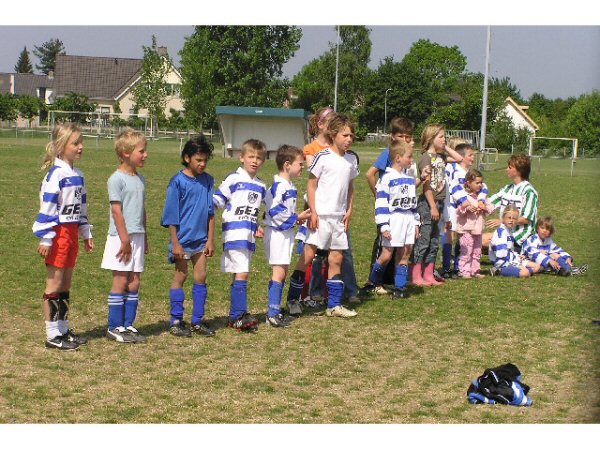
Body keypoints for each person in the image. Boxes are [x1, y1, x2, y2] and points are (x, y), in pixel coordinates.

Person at [285, 114, 360, 318]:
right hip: (321, 217)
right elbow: (311, 184)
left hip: (338, 218)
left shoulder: (352, 159)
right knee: (308, 256)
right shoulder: (323, 157)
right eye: (345, 135)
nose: (349, 139)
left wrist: (350, 210)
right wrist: (314, 212)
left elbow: (351, 187)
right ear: (333, 134)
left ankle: (334, 305)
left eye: (351, 135)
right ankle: (293, 299)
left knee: (336, 258)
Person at [32, 123, 93, 351]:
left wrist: (85, 232)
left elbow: (81, 207)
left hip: (71, 234)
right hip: (58, 234)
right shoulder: (56, 175)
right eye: (75, 143)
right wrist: (46, 237)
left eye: (81, 142)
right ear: (61, 146)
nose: (80, 147)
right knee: (54, 283)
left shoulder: (78, 175)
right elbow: (47, 206)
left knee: (66, 283)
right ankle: (52, 335)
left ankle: (64, 329)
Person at [361, 117, 427, 297]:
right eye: (409, 157)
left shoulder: (407, 178)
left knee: (405, 253)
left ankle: (400, 287)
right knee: (386, 254)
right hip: (393, 219)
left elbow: (412, 201)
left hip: (407, 220)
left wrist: (416, 223)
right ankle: (372, 282)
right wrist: (384, 225)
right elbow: (381, 202)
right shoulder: (387, 178)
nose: (411, 160)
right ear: (398, 158)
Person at [161, 134, 216, 338]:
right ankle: (176, 319)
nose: (202, 164)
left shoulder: (208, 181)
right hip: (182, 242)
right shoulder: (177, 182)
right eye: (198, 160)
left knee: (201, 277)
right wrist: (175, 243)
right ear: (187, 158)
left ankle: (197, 320)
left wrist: (210, 239)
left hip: (201, 240)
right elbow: (171, 217)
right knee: (181, 276)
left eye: (205, 160)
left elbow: (211, 213)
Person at [100, 128, 149, 344]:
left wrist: (144, 236)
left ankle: (128, 324)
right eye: (142, 151)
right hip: (121, 238)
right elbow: (117, 211)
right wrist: (125, 239)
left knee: (135, 281)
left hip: (137, 236)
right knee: (120, 280)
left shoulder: (140, 179)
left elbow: (142, 210)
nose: (145, 154)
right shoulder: (116, 179)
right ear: (126, 153)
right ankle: (114, 326)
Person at [213, 139, 267, 332]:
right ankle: (238, 315)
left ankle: (236, 314)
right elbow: (217, 200)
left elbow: (253, 209)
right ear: (241, 157)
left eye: (259, 158)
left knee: (240, 272)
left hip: (249, 235)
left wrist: (257, 225)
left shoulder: (261, 185)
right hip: (235, 233)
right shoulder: (234, 179)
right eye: (251, 156)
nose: (255, 161)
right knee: (243, 272)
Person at [263, 145, 311, 327]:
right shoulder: (278, 186)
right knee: (279, 272)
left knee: (282, 271)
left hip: (285, 233)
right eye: (300, 164)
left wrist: (295, 219)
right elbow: (274, 210)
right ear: (287, 165)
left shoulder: (289, 186)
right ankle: (272, 314)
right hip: (277, 234)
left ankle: (275, 310)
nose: (303, 167)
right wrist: (296, 217)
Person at [412, 123, 465, 286]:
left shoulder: (441, 158)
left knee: (435, 241)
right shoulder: (426, 159)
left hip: (440, 205)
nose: (444, 139)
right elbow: (426, 186)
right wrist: (433, 206)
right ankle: (416, 275)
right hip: (429, 205)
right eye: (441, 137)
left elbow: (459, 158)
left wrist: (445, 147)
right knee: (424, 240)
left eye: (445, 136)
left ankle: (428, 273)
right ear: (430, 139)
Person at [443, 143, 489, 278]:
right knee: (450, 237)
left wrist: (480, 199)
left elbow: (484, 187)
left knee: (464, 238)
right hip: (454, 208)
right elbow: (453, 188)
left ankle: (460, 267)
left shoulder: (470, 173)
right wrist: (465, 203)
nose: (473, 158)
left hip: (469, 212)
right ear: (461, 157)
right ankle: (446, 268)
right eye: (470, 155)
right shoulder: (453, 170)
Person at [484, 154, 538, 252]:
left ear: (519, 170)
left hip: (520, 236)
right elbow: (490, 202)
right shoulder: (508, 188)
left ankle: (519, 252)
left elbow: (527, 219)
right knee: (477, 240)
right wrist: (476, 202)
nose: (506, 169)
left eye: (510, 167)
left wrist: (503, 221)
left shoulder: (529, 191)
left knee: (482, 241)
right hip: (506, 232)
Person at [456, 168, 494, 278]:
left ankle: (475, 270)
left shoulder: (482, 197)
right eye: (477, 183)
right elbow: (459, 210)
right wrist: (467, 208)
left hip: (478, 229)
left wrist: (484, 207)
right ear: (468, 183)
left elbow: (491, 208)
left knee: (477, 251)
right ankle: (464, 271)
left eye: (481, 182)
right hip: (466, 230)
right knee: (466, 251)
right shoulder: (464, 196)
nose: (480, 185)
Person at [521, 216, 588, 276]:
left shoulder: (548, 240)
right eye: (542, 228)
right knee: (553, 257)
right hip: (529, 262)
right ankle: (567, 270)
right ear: (537, 228)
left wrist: (567, 257)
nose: (544, 231)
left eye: (547, 229)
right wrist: (549, 260)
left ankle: (569, 269)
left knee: (555, 255)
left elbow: (557, 250)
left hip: (543, 262)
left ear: (550, 232)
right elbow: (532, 254)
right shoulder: (533, 239)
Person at [489, 205, 540, 278]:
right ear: (503, 218)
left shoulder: (509, 231)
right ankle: (497, 271)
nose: (511, 220)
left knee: (537, 266)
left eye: (514, 219)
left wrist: (518, 256)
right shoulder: (501, 233)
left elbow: (511, 250)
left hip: (512, 259)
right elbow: (501, 255)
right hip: (502, 263)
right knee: (525, 273)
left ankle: (521, 270)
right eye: (509, 218)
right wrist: (516, 261)